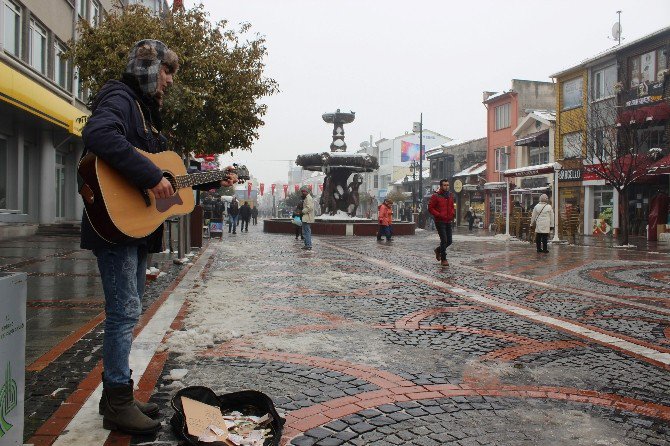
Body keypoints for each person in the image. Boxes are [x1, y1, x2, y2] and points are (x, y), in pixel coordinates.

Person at [79, 40, 238, 435]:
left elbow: (170, 187)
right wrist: (151, 177)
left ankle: (117, 392)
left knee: (128, 312)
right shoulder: (119, 96)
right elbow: (99, 134)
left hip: (132, 229)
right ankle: (117, 402)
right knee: (124, 313)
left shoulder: (147, 117)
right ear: (149, 68)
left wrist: (212, 181)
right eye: (166, 71)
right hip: (113, 228)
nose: (169, 81)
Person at [428, 179, 455, 266]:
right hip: (440, 221)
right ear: (441, 186)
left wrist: (452, 214)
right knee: (444, 240)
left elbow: (451, 207)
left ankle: (438, 250)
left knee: (449, 241)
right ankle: (443, 259)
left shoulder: (450, 195)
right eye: (444, 185)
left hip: (448, 220)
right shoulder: (436, 196)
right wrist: (438, 214)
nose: (446, 187)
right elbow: (430, 208)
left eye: (447, 185)